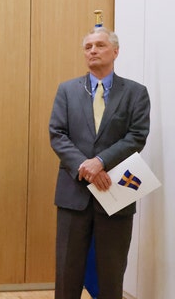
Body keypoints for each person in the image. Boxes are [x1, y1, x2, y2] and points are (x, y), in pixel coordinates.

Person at [49, 26, 150, 298]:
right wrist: (87, 166)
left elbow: (137, 135)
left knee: (111, 272)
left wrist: (101, 161)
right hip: (74, 193)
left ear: (115, 52)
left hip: (116, 192)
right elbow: (57, 134)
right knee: (67, 271)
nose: (92, 50)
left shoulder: (135, 92)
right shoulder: (67, 90)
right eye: (88, 47)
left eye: (100, 45)